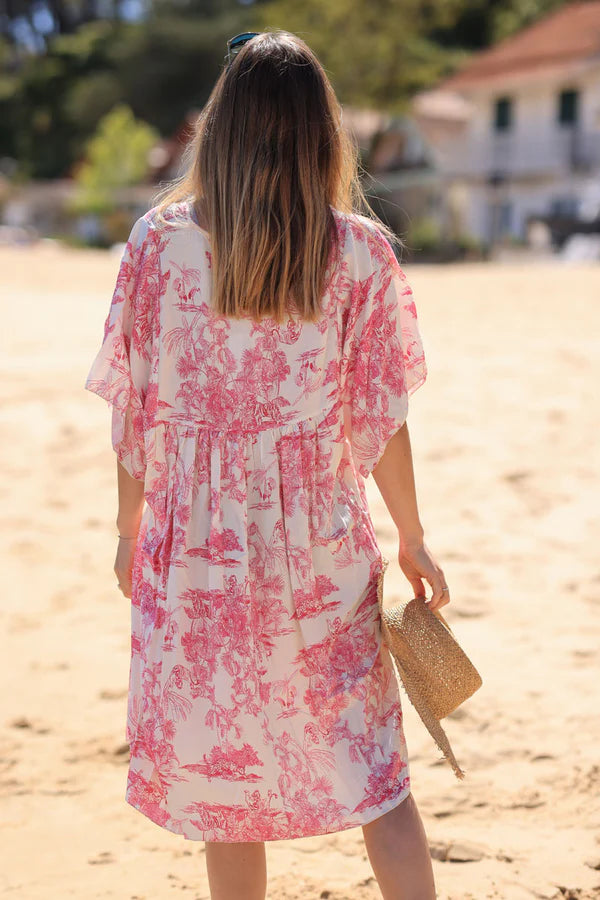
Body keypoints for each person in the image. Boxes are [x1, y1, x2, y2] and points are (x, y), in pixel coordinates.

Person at [84, 28, 450, 900]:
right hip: (320, 546)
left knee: (225, 791)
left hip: (197, 549)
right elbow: (382, 418)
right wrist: (412, 536)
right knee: (378, 777)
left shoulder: (157, 244)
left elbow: (133, 411)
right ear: (324, 135)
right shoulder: (361, 253)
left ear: (220, 128)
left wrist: (128, 527)